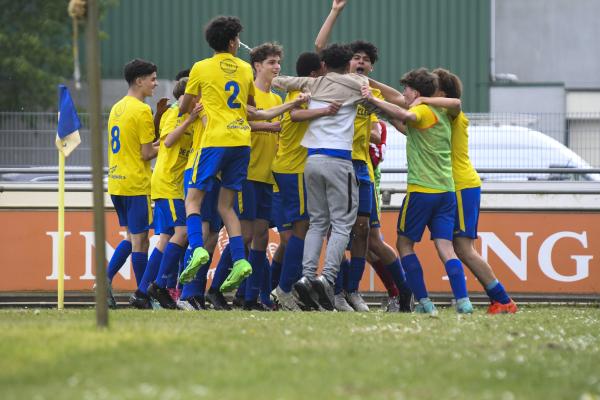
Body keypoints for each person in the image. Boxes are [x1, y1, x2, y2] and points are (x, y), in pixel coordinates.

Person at [177, 16, 308, 296]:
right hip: (241, 143)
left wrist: (196, 104)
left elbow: (184, 107)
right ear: (233, 42)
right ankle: (238, 261)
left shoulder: (201, 68)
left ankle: (198, 248)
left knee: (193, 200)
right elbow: (254, 111)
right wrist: (291, 105)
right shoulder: (244, 70)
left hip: (213, 141)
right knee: (227, 207)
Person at [314, 0, 412, 312]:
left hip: (360, 168)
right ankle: (341, 291)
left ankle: (362, 292)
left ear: (371, 66)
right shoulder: (338, 84)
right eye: (356, 58)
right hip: (335, 163)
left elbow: (399, 100)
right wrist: (335, 11)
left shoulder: (369, 91)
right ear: (347, 62)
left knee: (364, 234)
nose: (360, 62)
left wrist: (368, 83)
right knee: (340, 233)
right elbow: (320, 46)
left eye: (366, 60)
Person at [362, 68, 474, 314]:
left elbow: (407, 116)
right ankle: (463, 301)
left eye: (406, 89)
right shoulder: (443, 114)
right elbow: (405, 125)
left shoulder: (421, 110)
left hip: (422, 190)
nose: (403, 93)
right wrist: (381, 109)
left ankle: (424, 302)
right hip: (446, 191)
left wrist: (371, 99)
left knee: (404, 244)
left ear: (415, 91)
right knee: (445, 247)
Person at [272, 43, 368, 311]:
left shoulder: (311, 84)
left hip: (311, 160)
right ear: (348, 63)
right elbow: (379, 102)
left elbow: (281, 80)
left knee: (316, 222)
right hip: (339, 160)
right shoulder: (355, 85)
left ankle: (307, 275)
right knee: (341, 224)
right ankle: (327, 278)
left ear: (323, 64)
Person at [413, 68, 518, 314]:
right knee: (461, 247)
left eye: (432, 89)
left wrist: (423, 99)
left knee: (463, 248)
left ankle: (502, 300)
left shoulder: (452, 115)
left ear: (441, 93)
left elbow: (456, 103)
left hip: (461, 185)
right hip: (458, 186)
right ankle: (499, 300)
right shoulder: (435, 117)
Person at [270, 51, 335, 311]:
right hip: (294, 169)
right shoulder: (302, 93)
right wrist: (325, 111)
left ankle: (275, 290)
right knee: (303, 227)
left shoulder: (303, 91)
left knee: (292, 237)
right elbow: (294, 115)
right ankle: (284, 290)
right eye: (323, 70)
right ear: (313, 74)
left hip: (288, 168)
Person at [143, 78, 203, 310]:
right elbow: (167, 142)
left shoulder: (191, 115)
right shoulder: (176, 113)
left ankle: (142, 291)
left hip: (178, 185)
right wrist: (189, 119)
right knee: (184, 232)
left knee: (167, 238)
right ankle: (158, 285)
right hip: (168, 184)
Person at [106, 58, 159, 309]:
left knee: (132, 237)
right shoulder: (141, 110)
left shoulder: (117, 107)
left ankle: (105, 280)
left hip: (116, 182)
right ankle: (142, 296)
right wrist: (169, 142)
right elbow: (146, 153)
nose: (155, 83)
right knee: (141, 241)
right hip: (135, 183)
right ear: (139, 80)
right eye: (152, 78)